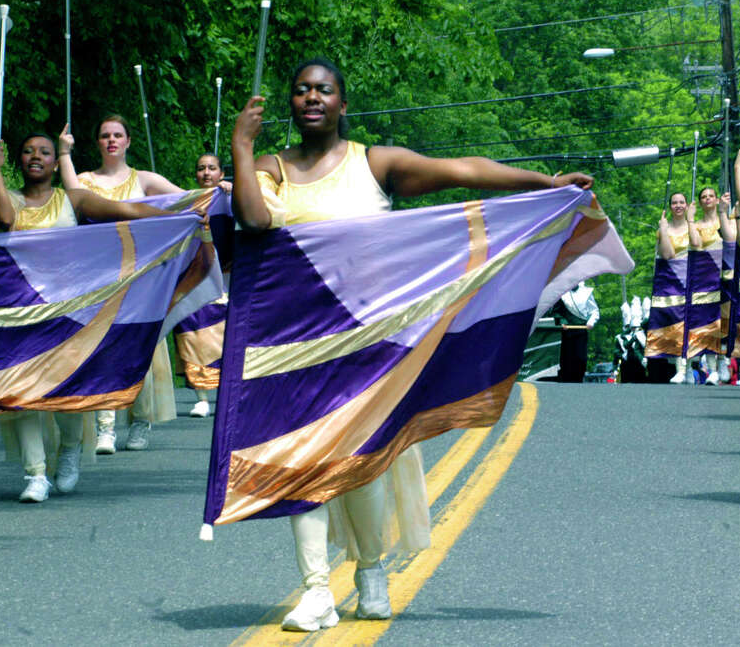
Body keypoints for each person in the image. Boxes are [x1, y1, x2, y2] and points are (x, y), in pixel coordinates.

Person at [231, 57, 593, 632]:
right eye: (301, 91)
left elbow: (463, 170)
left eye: (324, 90)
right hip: (301, 342)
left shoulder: (375, 163)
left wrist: (544, 184)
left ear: (343, 104)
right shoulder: (271, 169)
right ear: (290, 105)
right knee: (301, 459)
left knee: (363, 464)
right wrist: (242, 149)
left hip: (372, 340)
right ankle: (318, 589)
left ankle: (371, 573)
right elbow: (252, 221)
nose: (312, 98)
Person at [0, 134, 169, 501]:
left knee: (63, 392)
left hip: (66, 318)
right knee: (20, 393)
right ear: (18, 160)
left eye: (44, 152)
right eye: (27, 151)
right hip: (19, 317)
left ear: (56, 163)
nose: (35, 156)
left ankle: (70, 449)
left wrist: (178, 215)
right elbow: (6, 220)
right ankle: (35, 474)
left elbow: (128, 212)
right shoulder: (8, 199)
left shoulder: (73, 200)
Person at [59, 116, 185, 452]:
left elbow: (188, 200)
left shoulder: (144, 179)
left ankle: (140, 419)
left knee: (140, 346)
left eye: (117, 135)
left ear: (128, 141)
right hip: (97, 277)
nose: (111, 140)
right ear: (97, 142)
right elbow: (72, 196)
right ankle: (105, 427)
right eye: (104, 135)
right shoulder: (85, 179)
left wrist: (222, 189)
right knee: (100, 345)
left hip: (139, 278)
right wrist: (63, 153)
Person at [179, 152, 231, 417]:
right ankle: (201, 397)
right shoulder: (185, 202)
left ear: (221, 173)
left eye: (212, 168)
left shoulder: (230, 198)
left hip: (226, 276)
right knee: (192, 332)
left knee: (225, 336)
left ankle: (225, 394)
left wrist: (233, 192)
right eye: (201, 169)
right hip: (195, 276)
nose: (206, 173)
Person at [693, 186, 737, 384]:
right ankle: (711, 369)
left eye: (711, 196)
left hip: (726, 276)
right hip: (705, 277)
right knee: (709, 323)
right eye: (704, 197)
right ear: (700, 202)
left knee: (726, 320)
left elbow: (733, 240)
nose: (708, 199)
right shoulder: (696, 225)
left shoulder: (726, 220)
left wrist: (725, 212)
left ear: (717, 199)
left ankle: (723, 361)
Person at [656, 192, 695, 383]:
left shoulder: (694, 227)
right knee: (675, 325)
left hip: (694, 281)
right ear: (670, 207)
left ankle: (689, 368)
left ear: (687, 205)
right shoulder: (664, 229)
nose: (678, 205)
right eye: (674, 203)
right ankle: (680, 368)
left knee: (692, 325)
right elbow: (667, 254)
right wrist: (663, 230)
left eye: (681, 202)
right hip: (672, 283)